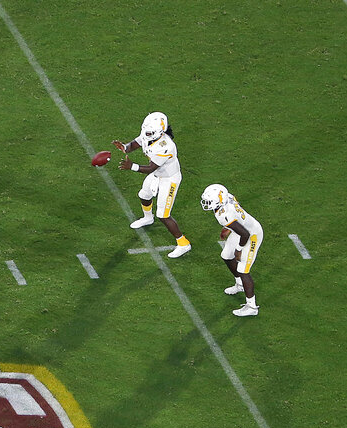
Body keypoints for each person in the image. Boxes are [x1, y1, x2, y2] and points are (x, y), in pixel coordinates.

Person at [113, 112, 191, 258]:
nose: (146, 134)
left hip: (169, 179)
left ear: (160, 132)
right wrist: (124, 147)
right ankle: (148, 218)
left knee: (163, 214)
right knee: (144, 195)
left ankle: (183, 243)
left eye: (150, 132)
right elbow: (137, 143)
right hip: (158, 175)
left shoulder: (165, 146)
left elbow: (150, 168)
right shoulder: (150, 134)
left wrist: (132, 166)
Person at [201, 184, 264, 317]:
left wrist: (239, 250)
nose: (207, 203)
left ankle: (252, 306)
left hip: (252, 234)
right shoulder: (227, 198)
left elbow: (245, 234)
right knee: (226, 255)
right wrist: (228, 228)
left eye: (210, 201)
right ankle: (240, 284)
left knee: (243, 269)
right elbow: (237, 213)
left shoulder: (224, 215)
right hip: (241, 229)